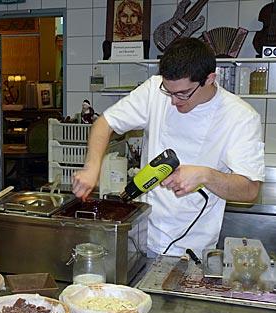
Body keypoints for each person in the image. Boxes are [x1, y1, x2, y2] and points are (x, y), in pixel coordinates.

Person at [72, 37, 265, 258]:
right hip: (141, 238)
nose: (174, 101)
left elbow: (250, 190)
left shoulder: (240, 117)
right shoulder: (155, 90)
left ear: (210, 79)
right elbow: (105, 123)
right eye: (168, 91)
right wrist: (91, 167)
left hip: (192, 250)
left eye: (183, 93)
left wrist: (206, 175)